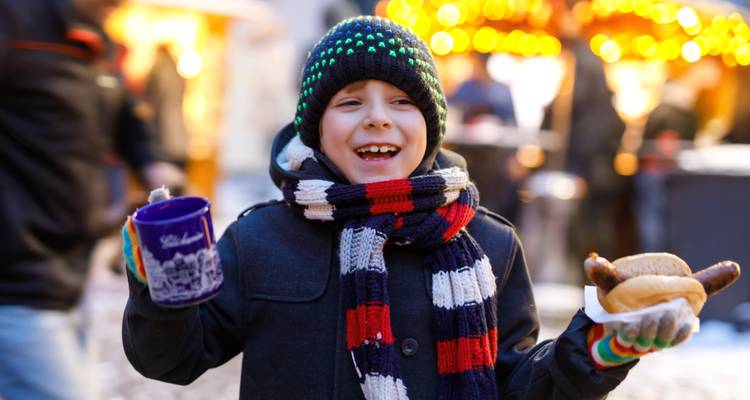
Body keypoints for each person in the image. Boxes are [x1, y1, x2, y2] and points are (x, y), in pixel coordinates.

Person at [122, 16, 694, 399]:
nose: (377, 117)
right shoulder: (260, 240)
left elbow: (518, 383)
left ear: (431, 127)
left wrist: (598, 347)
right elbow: (174, 360)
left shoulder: (491, 245)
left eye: (401, 101)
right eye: (350, 102)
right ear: (317, 130)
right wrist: (160, 292)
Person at [0, 0, 183, 399]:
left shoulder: (99, 41)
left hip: (71, 269)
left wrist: (153, 164)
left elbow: (124, 116)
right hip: (17, 282)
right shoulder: (13, 21)